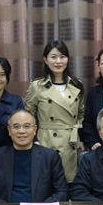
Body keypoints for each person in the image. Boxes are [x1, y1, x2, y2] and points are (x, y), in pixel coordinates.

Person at [25, 40, 84, 182]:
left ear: (67, 59)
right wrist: (34, 139)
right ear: (45, 60)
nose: (58, 61)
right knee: (47, 183)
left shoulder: (76, 84)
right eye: (53, 57)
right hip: (46, 142)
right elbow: (28, 115)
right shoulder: (37, 86)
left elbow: (81, 114)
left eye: (62, 57)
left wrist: (79, 137)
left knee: (70, 184)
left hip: (71, 143)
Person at [0, 109, 68, 203]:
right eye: (16, 127)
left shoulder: (50, 157)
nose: (21, 131)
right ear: (9, 130)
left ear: (35, 129)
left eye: (27, 126)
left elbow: (62, 192)